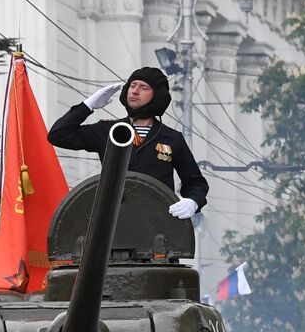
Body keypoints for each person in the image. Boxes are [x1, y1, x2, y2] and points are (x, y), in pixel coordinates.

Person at [47, 68, 209, 219]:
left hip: (157, 221)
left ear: (157, 96)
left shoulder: (171, 138)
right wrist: (88, 106)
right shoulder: (109, 130)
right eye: (132, 85)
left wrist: (192, 202)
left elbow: (195, 182)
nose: (135, 91)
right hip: (113, 219)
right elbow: (58, 135)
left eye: (144, 87)